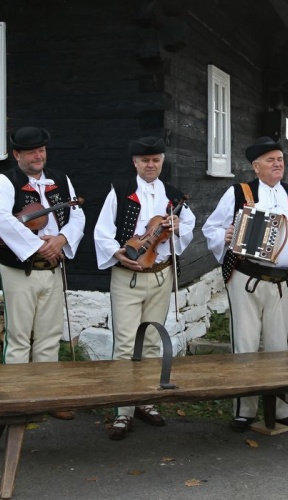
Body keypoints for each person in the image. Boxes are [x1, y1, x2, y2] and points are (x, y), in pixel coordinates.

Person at [202, 136, 288, 432]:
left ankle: (281, 409)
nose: (277, 164)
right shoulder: (239, 192)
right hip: (245, 279)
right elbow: (211, 228)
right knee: (245, 344)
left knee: (279, 346)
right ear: (256, 167)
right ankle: (245, 409)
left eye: (280, 159)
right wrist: (225, 235)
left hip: (283, 282)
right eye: (270, 160)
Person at [94, 136, 196, 441]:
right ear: (135, 162)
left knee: (152, 342)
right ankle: (123, 410)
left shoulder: (174, 196)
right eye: (145, 160)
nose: (151, 165)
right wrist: (117, 253)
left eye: (155, 160)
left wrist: (178, 227)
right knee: (125, 344)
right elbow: (102, 232)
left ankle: (146, 401)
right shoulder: (120, 190)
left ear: (162, 161)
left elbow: (188, 229)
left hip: (161, 275)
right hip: (128, 277)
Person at [0, 126, 85, 420]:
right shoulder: (6, 181)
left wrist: (62, 239)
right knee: (18, 337)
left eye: (41, 150)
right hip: (21, 270)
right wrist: (37, 246)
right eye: (31, 152)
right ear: (17, 154)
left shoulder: (60, 179)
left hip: (53, 269)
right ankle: (17, 399)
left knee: (49, 335)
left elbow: (77, 214)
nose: (38, 156)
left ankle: (46, 396)